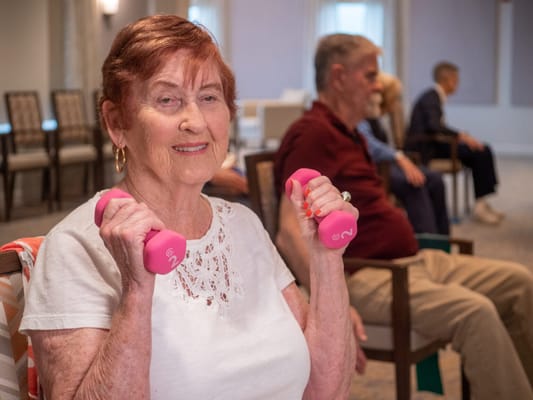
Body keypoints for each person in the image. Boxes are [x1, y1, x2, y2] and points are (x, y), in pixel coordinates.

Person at [19, 15, 357, 399]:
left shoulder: (243, 224)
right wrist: (136, 290)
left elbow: (326, 392)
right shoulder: (75, 247)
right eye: (168, 100)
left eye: (210, 98)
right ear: (116, 123)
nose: (195, 121)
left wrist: (328, 260)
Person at [274, 33, 533, 399]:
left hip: (412, 261)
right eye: (369, 76)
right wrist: (333, 305)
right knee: (477, 314)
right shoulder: (311, 133)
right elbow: (287, 231)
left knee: (520, 282)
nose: (378, 86)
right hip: (371, 277)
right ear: (338, 77)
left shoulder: (351, 133)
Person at [406, 61, 504, 225]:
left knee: (482, 150)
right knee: (480, 152)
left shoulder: (434, 96)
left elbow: (437, 127)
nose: (457, 83)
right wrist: (461, 136)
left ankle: (482, 201)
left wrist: (461, 137)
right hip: (426, 148)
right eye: (456, 79)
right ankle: (480, 205)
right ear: (448, 79)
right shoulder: (431, 96)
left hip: (434, 143)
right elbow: (434, 127)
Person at [358, 89, 450, 235]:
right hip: (376, 166)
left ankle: (444, 241)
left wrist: (399, 157)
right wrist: (398, 156)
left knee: (435, 180)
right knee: (414, 182)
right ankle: (429, 245)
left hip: (390, 161)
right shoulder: (355, 114)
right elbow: (369, 145)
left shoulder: (376, 115)